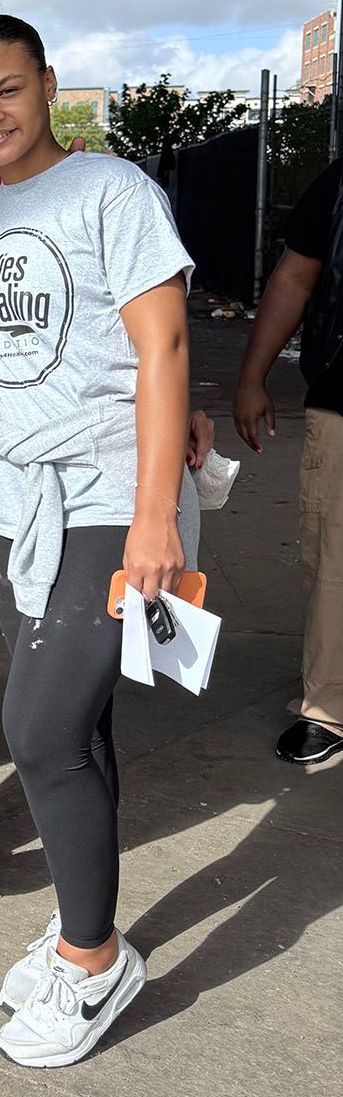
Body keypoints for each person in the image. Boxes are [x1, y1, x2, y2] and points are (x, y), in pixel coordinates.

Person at [0, 13, 197, 1069]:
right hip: (15, 503)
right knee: (78, 729)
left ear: (48, 85)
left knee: (39, 731)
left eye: (7, 90)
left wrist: (155, 516)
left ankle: (93, 962)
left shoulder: (114, 191)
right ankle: (79, 915)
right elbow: (3, 347)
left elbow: (164, 344)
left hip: (105, 492)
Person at [233, 153, 343, 766]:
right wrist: (253, 376)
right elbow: (295, 278)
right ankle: (328, 706)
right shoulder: (340, 183)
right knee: (337, 564)